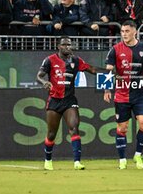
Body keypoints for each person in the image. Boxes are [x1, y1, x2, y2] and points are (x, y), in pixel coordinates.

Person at [36, 37, 99, 170]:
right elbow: (39, 76)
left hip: (69, 100)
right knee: (52, 134)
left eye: (70, 45)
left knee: (74, 128)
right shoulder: (50, 60)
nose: (68, 47)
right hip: (54, 100)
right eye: (65, 45)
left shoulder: (76, 60)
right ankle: (48, 160)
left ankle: (77, 162)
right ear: (58, 46)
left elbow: (92, 70)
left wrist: (110, 72)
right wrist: (44, 82)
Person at [103, 20, 143, 169]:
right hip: (122, 95)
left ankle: (138, 155)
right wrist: (107, 89)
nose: (124, 34)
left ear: (135, 32)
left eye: (127, 31)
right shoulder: (115, 49)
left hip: (139, 94)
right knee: (122, 128)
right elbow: (109, 70)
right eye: (122, 31)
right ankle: (122, 160)